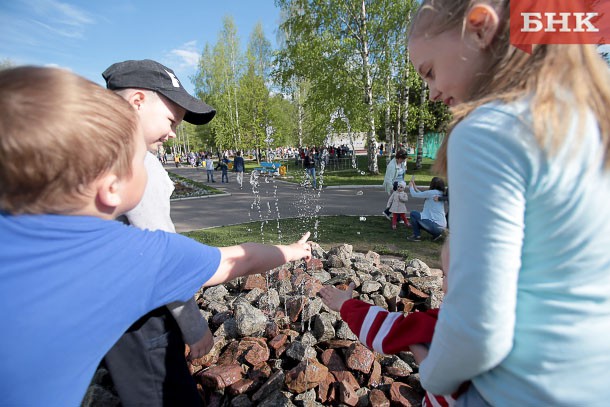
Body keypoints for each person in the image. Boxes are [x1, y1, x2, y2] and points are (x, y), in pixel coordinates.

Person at [0, 66, 312, 406]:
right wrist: (295, 251)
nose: (152, 164)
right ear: (112, 188)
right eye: (140, 160)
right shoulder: (135, 255)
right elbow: (242, 258)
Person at [408, 1, 610, 405]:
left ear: (480, 27)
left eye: (429, 71)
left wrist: (432, 374)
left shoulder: (488, 131)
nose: (430, 93)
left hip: (517, 391)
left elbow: (478, 331)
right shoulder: (583, 121)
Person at [97, 59, 217, 406]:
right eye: (171, 120)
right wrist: (194, 328)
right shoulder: (138, 164)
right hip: (142, 314)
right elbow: (163, 257)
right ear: (137, 101)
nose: (174, 132)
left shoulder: (92, 151)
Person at [318, 241, 463, 406]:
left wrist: (346, 305)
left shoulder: (445, 324)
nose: (441, 283)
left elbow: (385, 328)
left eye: (444, 275)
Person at [407, 177, 447, 241]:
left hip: (435, 226)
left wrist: (410, 187)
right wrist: (415, 187)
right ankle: (436, 235)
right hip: (441, 227)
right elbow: (424, 195)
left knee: (413, 214)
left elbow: (414, 194)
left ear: (432, 184)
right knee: (418, 218)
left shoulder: (431, 193)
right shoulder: (442, 194)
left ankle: (416, 236)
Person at [381, 149, 408, 220]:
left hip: (401, 183)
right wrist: (392, 187)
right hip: (395, 184)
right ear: (398, 158)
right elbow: (388, 178)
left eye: (404, 159)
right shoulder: (391, 166)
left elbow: (402, 174)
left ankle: (387, 212)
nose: (403, 161)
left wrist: (404, 183)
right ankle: (398, 218)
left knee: (397, 201)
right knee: (399, 201)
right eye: (402, 159)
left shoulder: (401, 163)